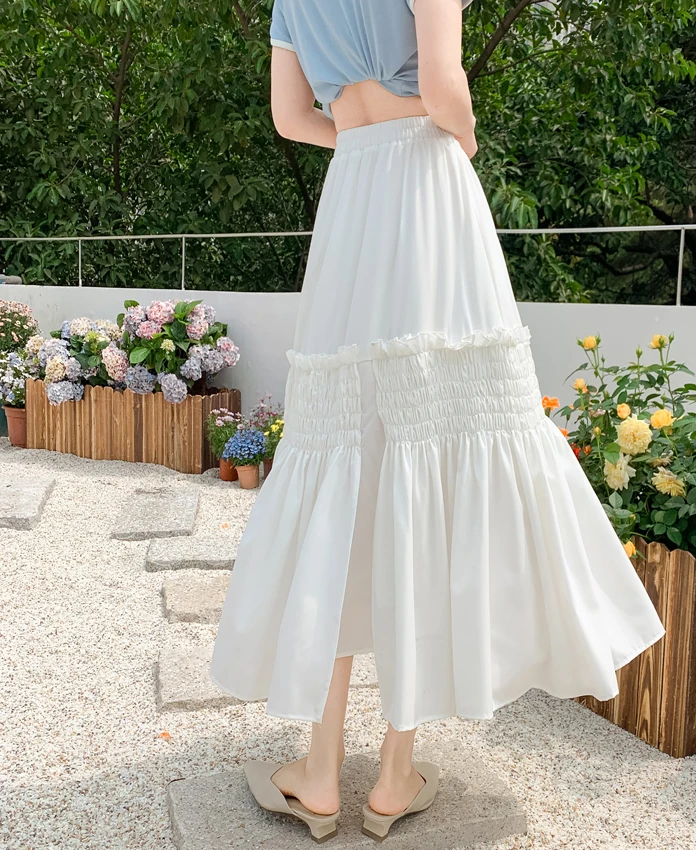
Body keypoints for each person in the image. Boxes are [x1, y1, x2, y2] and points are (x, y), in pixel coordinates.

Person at [210, 0, 666, 842]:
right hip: (427, 191)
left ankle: (318, 771)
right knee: (433, 442)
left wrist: (360, 139)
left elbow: (289, 116)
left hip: (351, 199)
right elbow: (447, 87)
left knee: (344, 458)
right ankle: (394, 776)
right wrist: (459, 137)